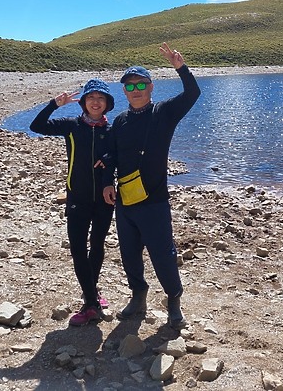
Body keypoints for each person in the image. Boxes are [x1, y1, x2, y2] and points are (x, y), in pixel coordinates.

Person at [102, 42, 201, 329]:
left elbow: (192, 93)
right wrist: (107, 182)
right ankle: (138, 297)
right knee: (129, 252)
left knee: (163, 254)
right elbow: (111, 156)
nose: (136, 91)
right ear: (124, 92)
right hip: (125, 202)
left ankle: (173, 300)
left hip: (155, 201)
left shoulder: (164, 113)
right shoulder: (119, 122)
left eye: (141, 85)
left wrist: (180, 68)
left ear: (151, 87)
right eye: (130, 87)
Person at [30, 78, 115, 326]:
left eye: (100, 99)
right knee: (78, 248)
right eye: (91, 98)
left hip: (104, 198)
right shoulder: (71, 126)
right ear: (84, 102)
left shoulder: (112, 130)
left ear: (107, 103)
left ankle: (91, 297)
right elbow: (37, 126)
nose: (96, 102)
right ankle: (91, 299)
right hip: (77, 197)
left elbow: (123, 152)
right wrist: (54, 104)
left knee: (97, 245)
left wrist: (108, 157)